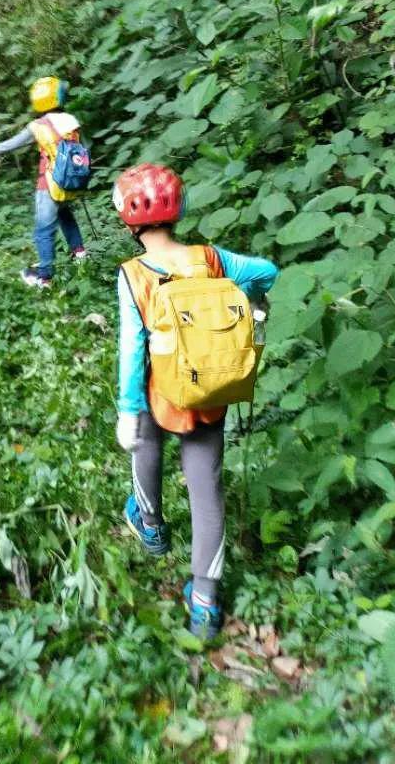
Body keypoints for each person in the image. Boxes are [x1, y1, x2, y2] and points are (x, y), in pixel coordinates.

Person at [112, 162, 277, 641]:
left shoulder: (133, 275)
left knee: (145, 446)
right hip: (208, 392)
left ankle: (151, 525)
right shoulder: (211, 257)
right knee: (207, 496)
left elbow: (130, 347)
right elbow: (267, 271)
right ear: (178, 211)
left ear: (129, 219)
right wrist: (250, 298)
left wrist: (127, 409)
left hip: (156, 393)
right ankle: (204, 605)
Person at [0, 75, 88, 288]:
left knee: (43, 230)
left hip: (50, 184)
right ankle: (80, 254)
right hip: (72, 182)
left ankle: (44, 277)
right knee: (65, 214)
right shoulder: (72, 121)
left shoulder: (38, 126)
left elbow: (13, 144)